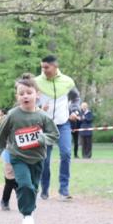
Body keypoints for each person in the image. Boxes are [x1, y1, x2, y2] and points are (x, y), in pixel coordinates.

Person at [0, 75, 59, 224]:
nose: (25, 96)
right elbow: (1, 134)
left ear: (37, 94)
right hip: (18, 157)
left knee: (33, 188)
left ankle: (29, 208)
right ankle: (27, 216)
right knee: (25, 185)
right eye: (21, 93)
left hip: (37, 158)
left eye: (29, 92)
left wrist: (43, 138)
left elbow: (54, 135)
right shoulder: (13, 115)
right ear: (17, 97)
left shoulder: (42, 116)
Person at [35, 55, 77, 200]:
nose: (44, 70)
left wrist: (75, 111)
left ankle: (64, 189)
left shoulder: (67, 81)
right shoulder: (36, 82)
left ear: (55, 66)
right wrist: (40, 107)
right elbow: (29, 102)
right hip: (45, 126)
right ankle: (44, 188)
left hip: (63, 123)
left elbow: (75, 98)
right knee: (45, 160)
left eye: (46, 67)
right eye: (42, 67)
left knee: (66, 153)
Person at [68, 89, 82, 158]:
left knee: (75, 142)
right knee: (69, 141)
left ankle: (75, 154)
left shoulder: (75, 105)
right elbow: (74, 113)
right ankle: (72, 154)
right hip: (70, 126)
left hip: (76, 127)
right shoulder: (72, 105)